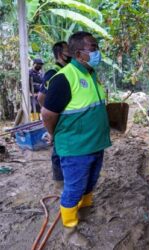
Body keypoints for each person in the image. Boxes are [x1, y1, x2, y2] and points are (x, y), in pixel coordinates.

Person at [41, 31, 111, 247]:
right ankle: (69, 231)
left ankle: (86, 211)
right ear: (79, 54)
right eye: (93, 47)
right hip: (75, 148)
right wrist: (53, 134)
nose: (97, 52)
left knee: (90, 182)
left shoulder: (91, 74)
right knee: (73, 189)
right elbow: (47, 114)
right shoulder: (64, 78)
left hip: (95, 144)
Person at [37, 41, 71, 193]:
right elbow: (41, 98)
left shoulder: (70, 71)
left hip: (69, 120)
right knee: (58, 151)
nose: (70, 53)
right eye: (67, 50)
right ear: (59, 54)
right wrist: (51, 111)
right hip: (58, 118)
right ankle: (60, 183)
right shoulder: (53, 73)